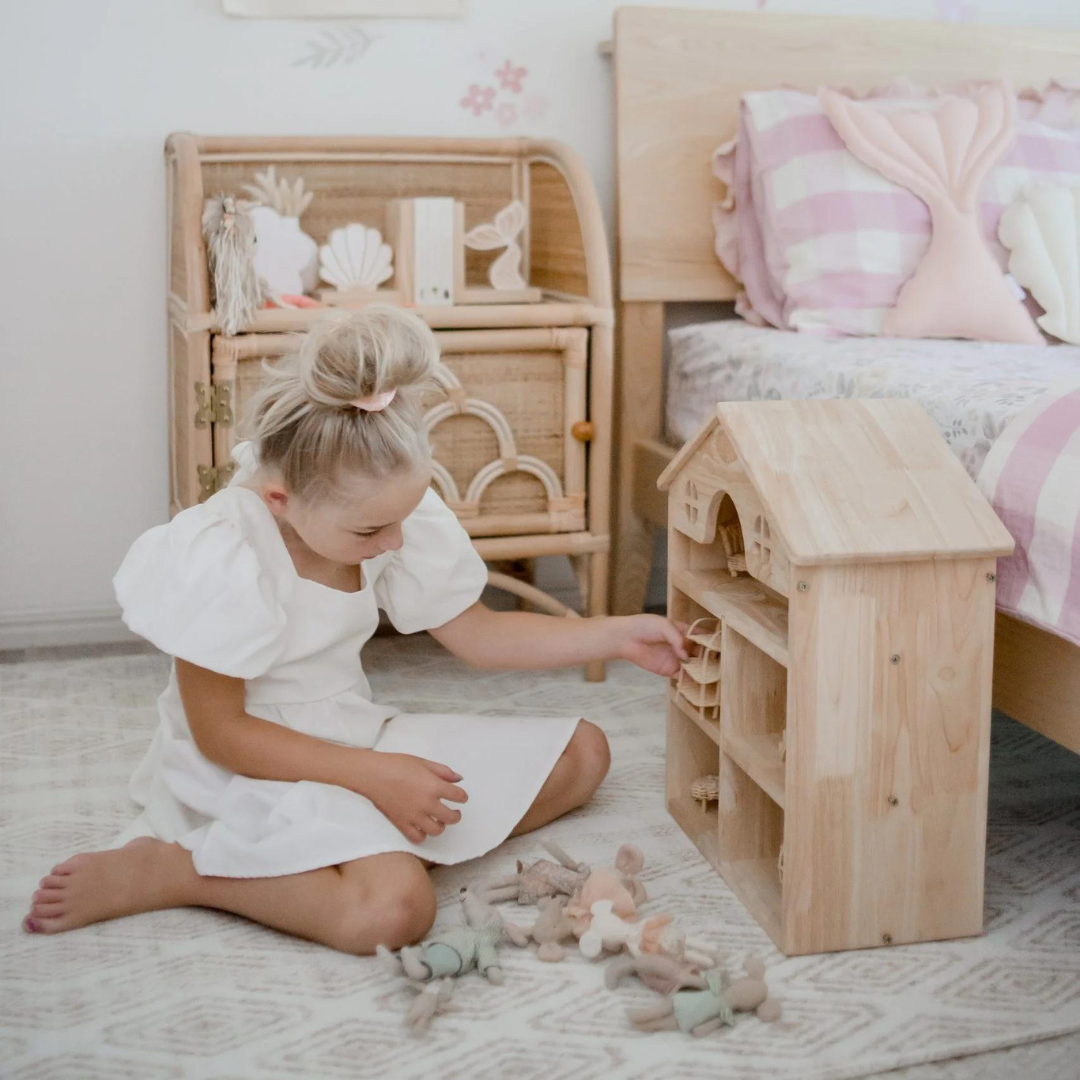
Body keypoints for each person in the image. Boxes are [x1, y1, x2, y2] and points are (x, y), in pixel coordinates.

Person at [23, 306, 687, 954]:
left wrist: (614, 634)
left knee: (584, 753)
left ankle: (338, 851)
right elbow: (220, 733)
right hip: (252, 766)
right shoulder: (223, 550)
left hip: (356, 736)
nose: (394, 541)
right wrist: (373, 777)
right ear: (281, 499)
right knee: (395, 911)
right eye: (371, 530)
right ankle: (183, 870)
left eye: (400, 518)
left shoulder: (378, 510)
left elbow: (479, 635)